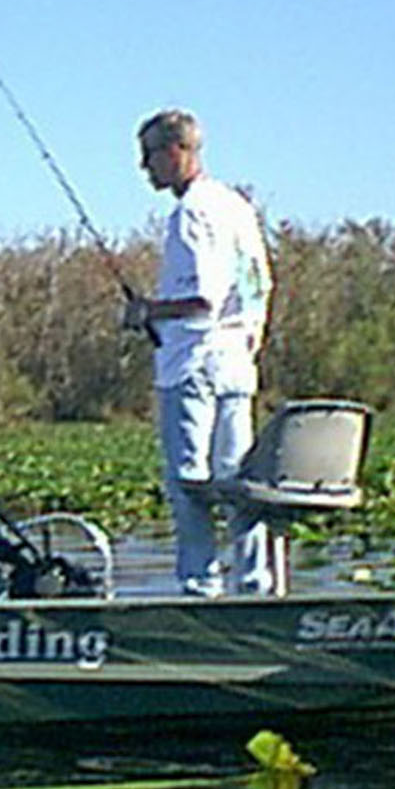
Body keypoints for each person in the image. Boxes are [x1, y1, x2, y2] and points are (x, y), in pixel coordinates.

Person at [124, 109, 273, 596]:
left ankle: (199, 589)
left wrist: (147, 311)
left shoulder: (192, 214)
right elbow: (258, 285)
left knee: (189, 483)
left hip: (194, 367)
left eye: (149, 157)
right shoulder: (238, 206)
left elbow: (201, 301)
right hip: (237, 363)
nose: (145, 169)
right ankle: (254, 586)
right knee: (239, 483)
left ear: (174, 152)